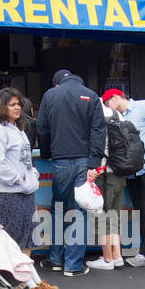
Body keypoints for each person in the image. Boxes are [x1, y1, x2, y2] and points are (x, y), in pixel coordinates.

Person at [35, 69, 105, 276]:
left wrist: (47, 152)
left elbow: (42, 128)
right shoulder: (91, 96)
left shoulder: (50, 95)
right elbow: (99, 131)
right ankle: (73, 265)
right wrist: (94, 162)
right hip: (85, 162)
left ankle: (55, 259)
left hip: (60, 162)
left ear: (57, 83)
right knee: (79, 212)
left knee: (57, 209)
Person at [100, 88, 145, 267]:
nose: (108, 107)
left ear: (115, 97)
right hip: (131, 172)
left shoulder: (144, 107)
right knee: (140, 209)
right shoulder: (119, 117)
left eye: (108, 102)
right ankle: (144, 251)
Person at [0, 87, 40, 252]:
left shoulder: (18, 129)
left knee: (28, 238)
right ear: (1, 107)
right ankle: (10, 278)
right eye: (11, 104)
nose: (17, 108)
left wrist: (31, 176)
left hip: (26, 193)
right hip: (9, 195)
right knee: (10, 242)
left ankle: (27, 278)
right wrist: (20, 179)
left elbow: (25, 159)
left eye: (18, 104)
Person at [86, 98, 126, 270]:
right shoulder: (118, 115)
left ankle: (107, 259)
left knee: (102, 216)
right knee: (114, 214)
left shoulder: (97, 117)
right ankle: (117, 256)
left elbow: (97, 146)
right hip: (119, 172)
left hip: (104, 173)